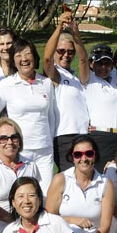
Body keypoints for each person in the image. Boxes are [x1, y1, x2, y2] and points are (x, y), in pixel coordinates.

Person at [46, 135, 115, 233]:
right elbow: (48, 216)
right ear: (72, 157)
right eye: (78, 154)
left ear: (95, 155)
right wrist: (72, 219)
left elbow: (105, 226)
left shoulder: (106, 184)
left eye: (88, 153)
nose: (83, 158)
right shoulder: (60, 179)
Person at [0, 38, 56, 193]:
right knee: (23, 193)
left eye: (27, 54)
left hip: (44, 150)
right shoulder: (5, 85)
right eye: (18, 55)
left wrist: (50, 140)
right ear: (13, 61)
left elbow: (51, 116)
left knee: (45, 194)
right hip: (20, 150)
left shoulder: (46, 83)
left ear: (34, 57)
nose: (24, 59)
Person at [43, 10, 90, 171]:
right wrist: (59, 29)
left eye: (70, 52)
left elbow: (84, 59)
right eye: (61, 51)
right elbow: (47, 59)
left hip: (83, 135)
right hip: (65, 136)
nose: (66, 55)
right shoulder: (54, 74)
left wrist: (75, 33)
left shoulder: (77, 78)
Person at [83, 44, 117, 172]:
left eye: (107, 63)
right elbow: (82, 59)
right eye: (99, 63)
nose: (104, 67)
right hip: (100, 137)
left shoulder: (116, 78)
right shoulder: (89, 79)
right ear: (91, 63)